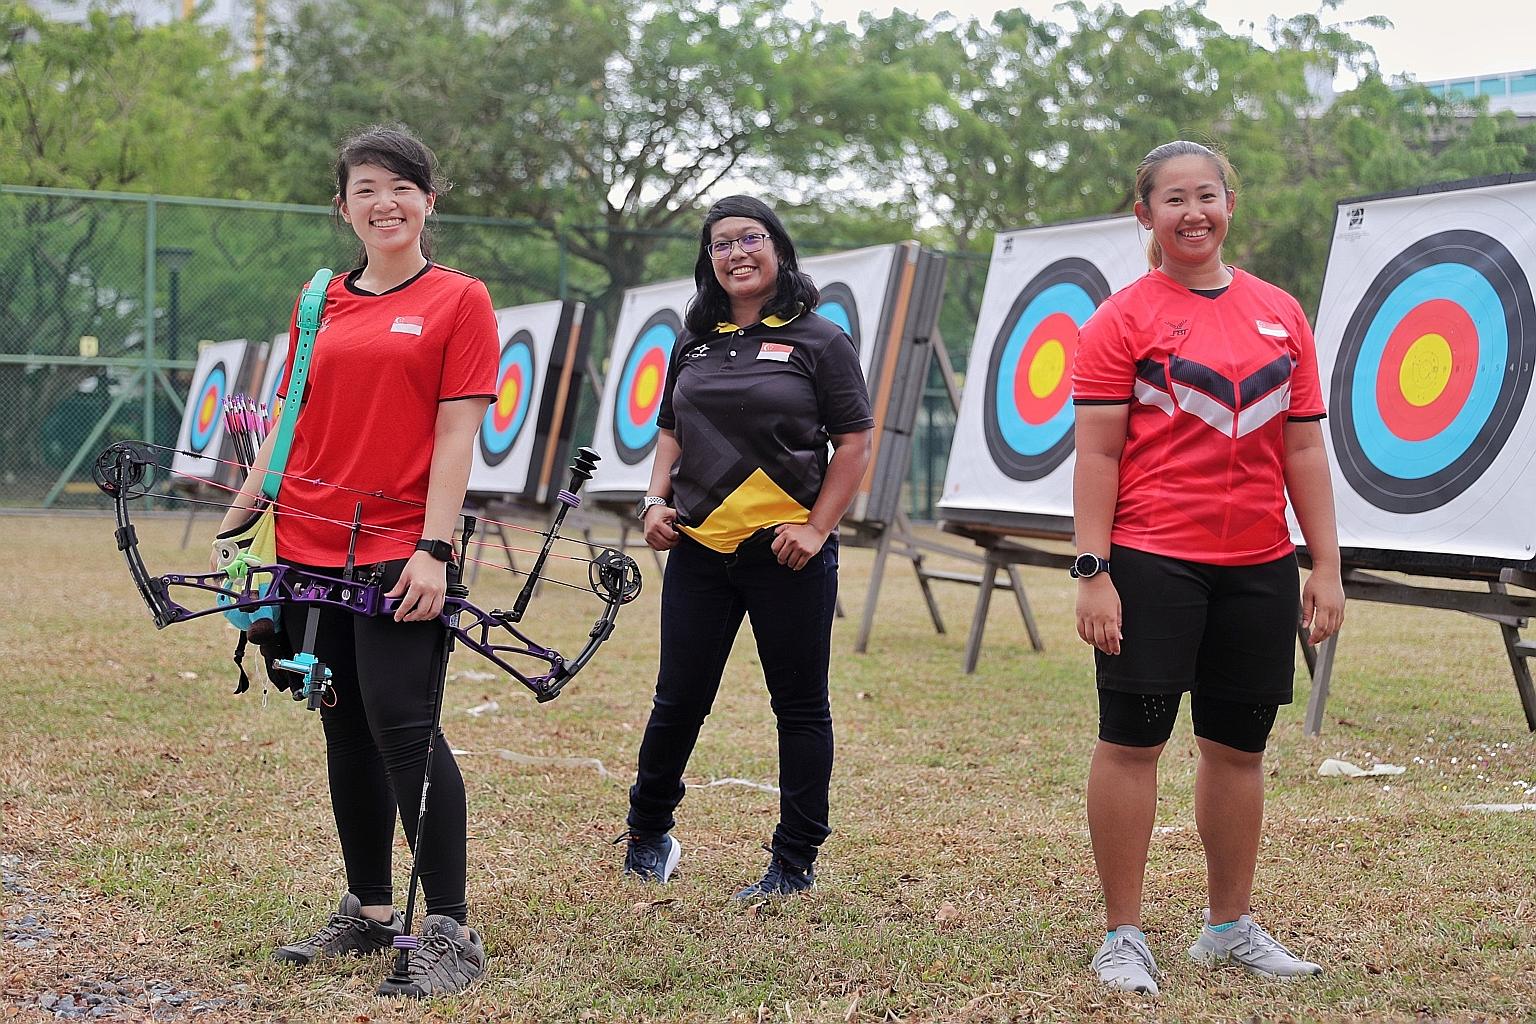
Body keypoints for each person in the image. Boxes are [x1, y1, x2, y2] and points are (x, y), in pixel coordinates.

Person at [215, 125, 498, 997]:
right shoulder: (318, 302)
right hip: (305, 540)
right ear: (343, 208)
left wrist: (433, 550)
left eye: (402, 186)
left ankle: (448, 931)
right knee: (340, 720)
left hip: (396, 548)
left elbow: (457, 436)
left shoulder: (460, 300)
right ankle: (372, 912)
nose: (386, 202)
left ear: (428, 200)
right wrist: (247, 512)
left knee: (404, 727)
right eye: (366, 188)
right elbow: (289, 414)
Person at [1070, 140, 1345, 995]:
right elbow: (1097, 454)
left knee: (1237, 750)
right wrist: (1093, 569)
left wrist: (1325, 564)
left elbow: (1303, 448)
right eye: (1173, 200)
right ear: (1144, 214)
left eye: (1208, 196)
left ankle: (1228, 927)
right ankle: (1123, 935)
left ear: (1232, 203)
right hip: (1152, 562)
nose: (1194, 214)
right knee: (1133, 741)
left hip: (1259, 565)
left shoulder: (1280, 311)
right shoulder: (1122, 318)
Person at [617, 195, 874, 900]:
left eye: (750, 237)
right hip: (700, 550)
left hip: (787, 553)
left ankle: (793, 863)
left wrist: (817, 528)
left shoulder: (820, 339)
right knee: (678, 699)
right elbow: (670, 427)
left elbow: (854, 443)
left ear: (779, 248)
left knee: (798, 706)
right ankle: (646, 833)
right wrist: (654, 500)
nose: (736, 253)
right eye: (720, 243)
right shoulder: (694, 341)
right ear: (709, 261)